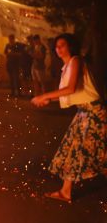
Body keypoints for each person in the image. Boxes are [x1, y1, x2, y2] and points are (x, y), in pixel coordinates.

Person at [31, 33, 107, 203]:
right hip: (84, 113)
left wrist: (45, 96)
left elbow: (71, 88)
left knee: (96, 154)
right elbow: (71, 92)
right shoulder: (67, 67)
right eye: (57, 46)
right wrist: (50, 98)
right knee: (75, 150)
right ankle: (66, 191)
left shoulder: (76, 61)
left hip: (94, 113)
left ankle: (66, 191)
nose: (59, 49)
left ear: (70, 46)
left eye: (62, 45)